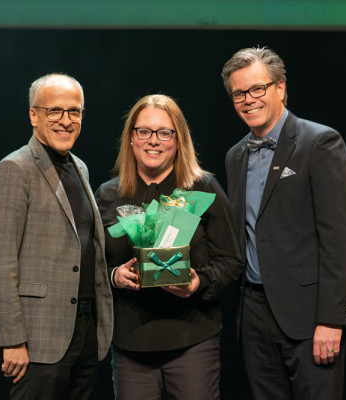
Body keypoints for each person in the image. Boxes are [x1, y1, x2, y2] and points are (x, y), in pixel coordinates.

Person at [221, 47, 346, 399]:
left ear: (280, 88)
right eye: (239, 93)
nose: (248, 100)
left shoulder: (321, 143)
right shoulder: (236, 155)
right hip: (254, 314)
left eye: (258, 89)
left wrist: (331, 320)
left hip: (311, 315)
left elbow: (340, 240)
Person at [95, 94, 243, 400]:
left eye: (164, 132)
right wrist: (115, 276)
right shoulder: (108, 195)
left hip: (192, 339)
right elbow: (91, 266)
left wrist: (199, 281)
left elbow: (231, 260)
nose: (154, 141)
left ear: (178, 139)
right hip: (131, 345)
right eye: (144, 131)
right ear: (131, 138)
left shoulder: (203, 188)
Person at [0, 73, 113, 400]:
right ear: (34, 115)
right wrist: (12, 339)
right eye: (55, 111)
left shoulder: (79, 168)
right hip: (36, 337)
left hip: (83, 330)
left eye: (74, 112)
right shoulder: (15, 169)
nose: (65, 121)